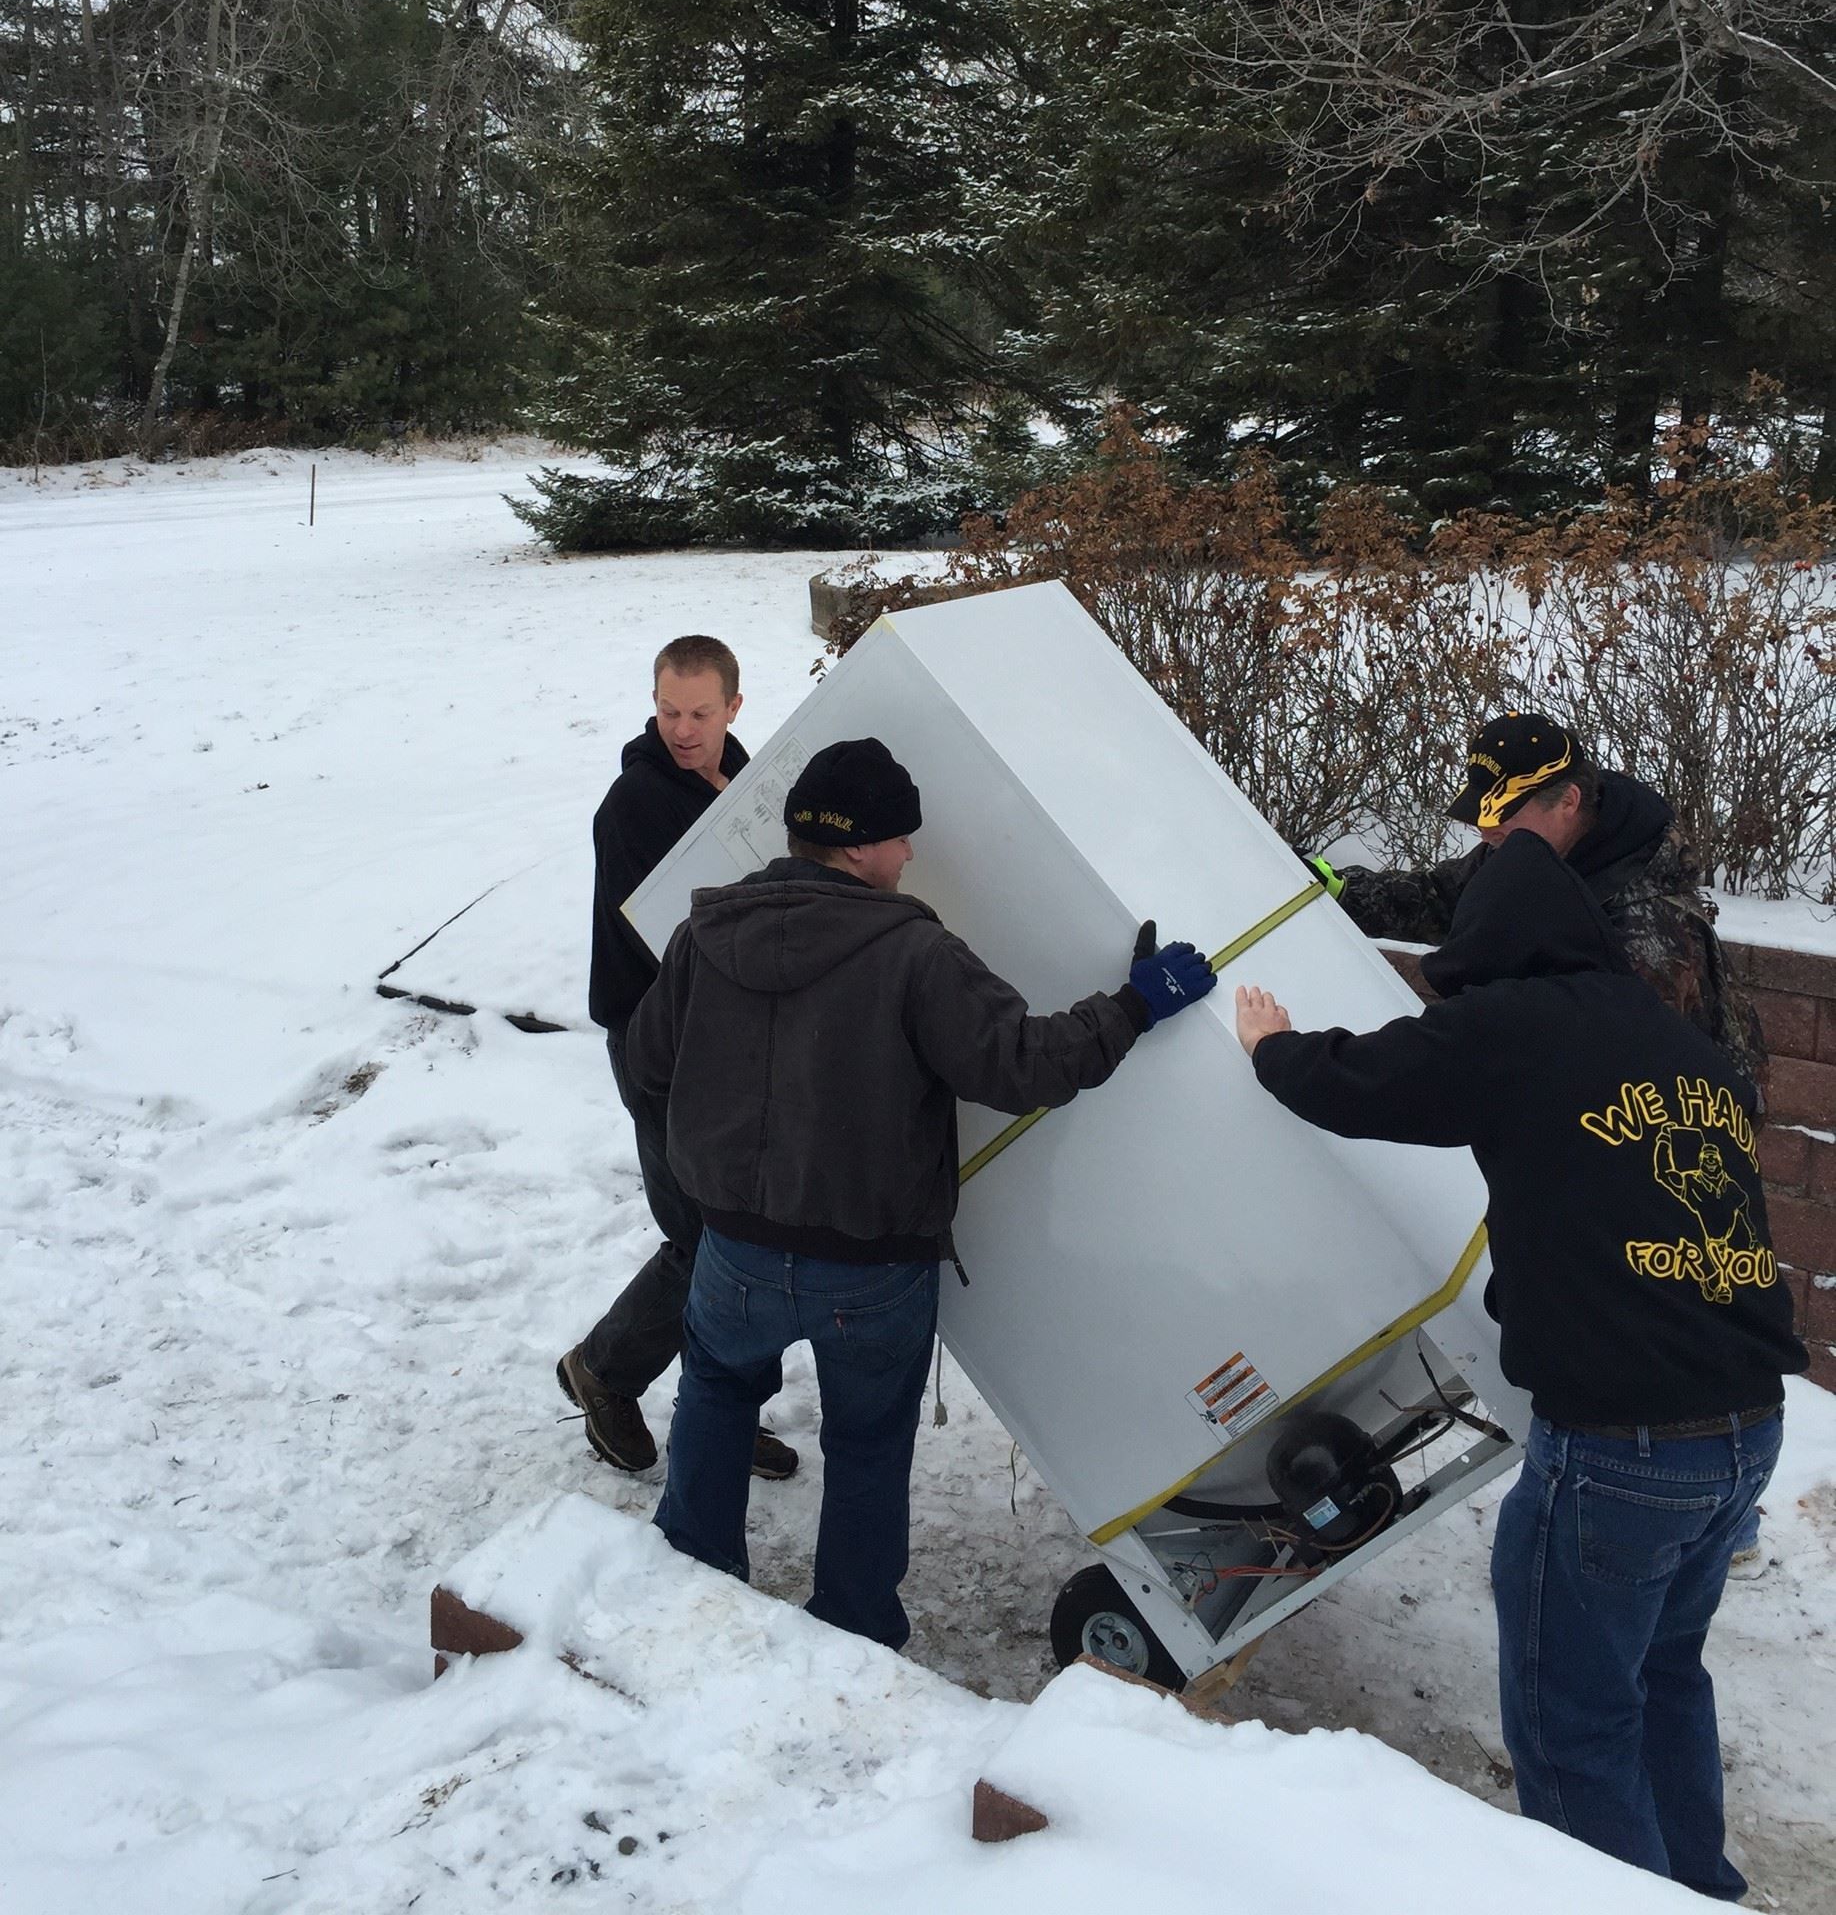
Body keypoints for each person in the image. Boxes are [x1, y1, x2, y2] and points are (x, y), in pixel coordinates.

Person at [1235, 831, 1806, 1898]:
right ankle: (1699, 1890)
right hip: (1746, 1428)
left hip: (1622, 1448)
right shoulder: (1676, 1041)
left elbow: (1363, 1082)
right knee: (1665, 1676)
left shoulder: (1512, 1026)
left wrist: (1271, 1047)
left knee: (1574, 1727)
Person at [627, 735, 1217, 1651]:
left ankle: (687, 1585)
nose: (910, 854)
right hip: (871, 1267)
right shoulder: (913, 952)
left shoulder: (705, 934)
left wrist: (708, 1171)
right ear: (861, 846)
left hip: (735, 1252)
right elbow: (1022, 1064)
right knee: (865, 1443)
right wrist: (1137, 1004)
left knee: (713, 1389)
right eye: (901, 838)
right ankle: (851, 1634)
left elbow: (647, 1065)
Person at [557, 634, 797, 1483]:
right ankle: (606, 1371)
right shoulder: (634, 807)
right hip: (657, 1046)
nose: (683, 730)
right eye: (668, 712)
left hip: (732, 1042)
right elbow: (678, 942)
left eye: (700, 713)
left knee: (749, 1232)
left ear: (734, 707)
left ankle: (719, 1409)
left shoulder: (755, 781)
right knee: (703, 1235)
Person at [1314, 712, 1766, 1090]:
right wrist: (1340, 890)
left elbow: (1631, 1072)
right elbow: (1441, 898)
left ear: (1567, 801)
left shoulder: (1648, 927)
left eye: (1502, 813)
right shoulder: (1524, 849)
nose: (1486, 831)